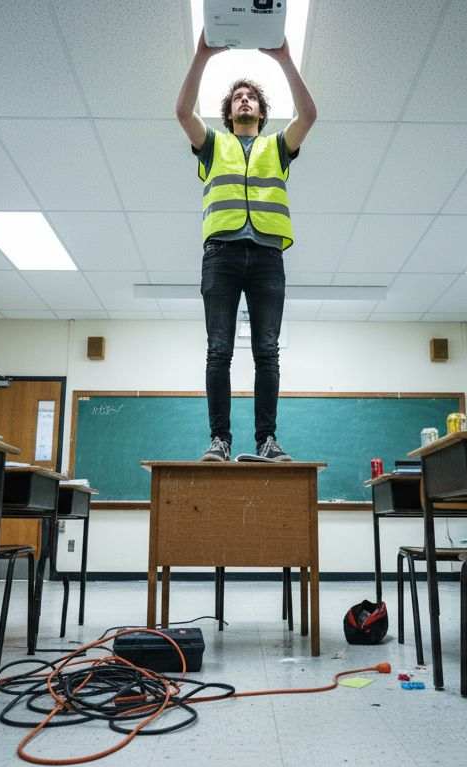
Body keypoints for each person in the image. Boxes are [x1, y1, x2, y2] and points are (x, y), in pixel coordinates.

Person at [174, 32, 317, 462]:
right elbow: (182, 112)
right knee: (218, 349)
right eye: (237, 97)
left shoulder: (278, 146)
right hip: (221, 253)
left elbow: (309, 115)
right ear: (229, 111)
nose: (244, 100)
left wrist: (285, 60)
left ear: (261, 110)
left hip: (268, 256)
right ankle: (220, 440)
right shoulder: (213, 144)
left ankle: (266, 441)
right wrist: (202, 55)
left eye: (250, 97)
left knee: (266, 351)